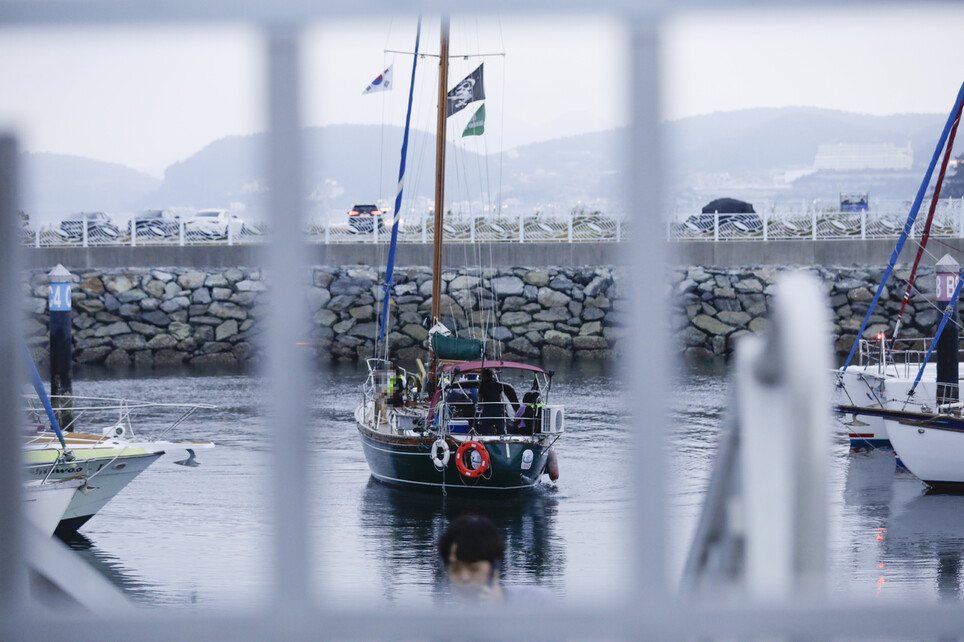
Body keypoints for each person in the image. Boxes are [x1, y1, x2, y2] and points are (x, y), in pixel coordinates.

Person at [438, 515, 554, 604]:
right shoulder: (453, 626)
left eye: (474, 568)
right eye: (455, 569)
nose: (464, 577)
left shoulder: (538, 601)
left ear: (495, 566)